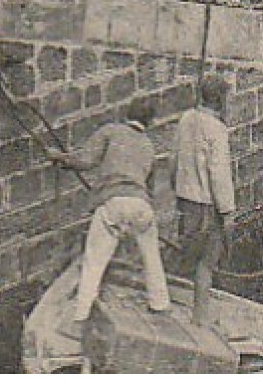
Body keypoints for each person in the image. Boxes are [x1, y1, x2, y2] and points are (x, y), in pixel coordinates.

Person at [44, 97, 172, 329]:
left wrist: (60, 157)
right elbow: (149, 187)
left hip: (113, 202)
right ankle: (160, 304)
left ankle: (82, 315)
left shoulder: (110, 131)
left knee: (94, 260)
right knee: (152, 257)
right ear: (150, 122)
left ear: (126, 113)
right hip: (142, 205)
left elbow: (85, 160)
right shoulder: (149, 146)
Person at [173, 73, 236, 328]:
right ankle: (200, 319)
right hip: (207, 205)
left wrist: (176, 187)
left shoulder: (185, 119)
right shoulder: (217, 129)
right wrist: (228, 211)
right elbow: (219, 173)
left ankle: (177, 307)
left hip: (185, 199)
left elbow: (173, 159)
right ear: (220, 99)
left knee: (186, 254)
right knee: (206, 263)